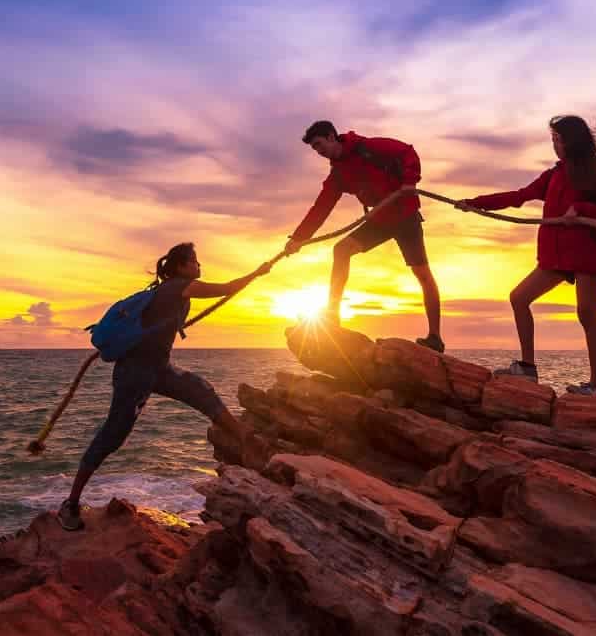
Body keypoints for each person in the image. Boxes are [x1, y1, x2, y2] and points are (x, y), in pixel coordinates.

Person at [57, 243, 269, 531]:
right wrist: (257, 273)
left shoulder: (170, 291)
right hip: (134, 373)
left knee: (201, 391)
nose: (199, 266)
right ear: (181, 267)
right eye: (195, 262)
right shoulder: (178, 287)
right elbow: (227, 288)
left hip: (158, 368)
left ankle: (248, 441)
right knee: (113, 435)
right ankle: (70, 504)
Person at [457, 115, 596, 393]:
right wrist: (476, 204)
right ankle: (528, 368)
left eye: (559, 140)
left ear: (574, 141)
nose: (555, 146)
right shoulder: (554, 175)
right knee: (519, 297)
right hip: (558, 255)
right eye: (553, 140)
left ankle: (595, 386)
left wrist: (582, 210)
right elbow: (519, 196)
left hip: (589, 252)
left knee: (586, 313)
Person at [285, 121, 444, 352]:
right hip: (378, 220)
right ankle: (332, 319)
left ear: (331, 136)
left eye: (319, 145)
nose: (319, 152)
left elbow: (407, 151)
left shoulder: (368, 147)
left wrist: (410, 182)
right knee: (340, 250)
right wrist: (299, 238)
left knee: (422, 274)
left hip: (405, 215)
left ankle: (435, 338)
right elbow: (321, 207)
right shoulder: (338, 174)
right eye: (315, 149)